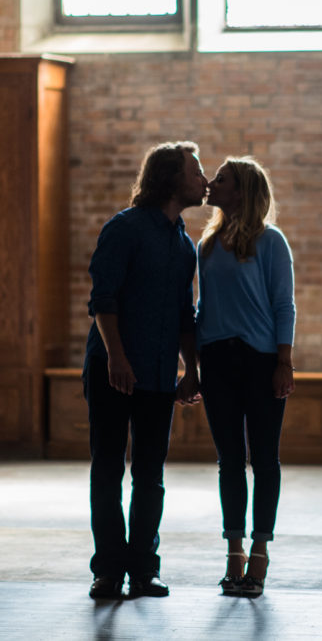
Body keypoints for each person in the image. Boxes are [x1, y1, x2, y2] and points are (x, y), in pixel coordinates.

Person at [83, 141, 207, 600]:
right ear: (171, 179)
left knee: (150, 476)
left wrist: (190, 370)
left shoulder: (184, 245)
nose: (204, 180)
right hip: (112, 369)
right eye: (196, 172)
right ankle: (108, 571)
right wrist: (116, 357)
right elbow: (103, 299)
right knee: (108, 470)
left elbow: (184, 315)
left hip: (157, 376)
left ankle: (143, 570)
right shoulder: (125, 228)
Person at [196, 156, 296, 597]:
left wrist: (284, 362)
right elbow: (202, 310)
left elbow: (283, 306)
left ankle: (260, 549)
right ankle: (233, 552)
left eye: (221, 179)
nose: (211, 184)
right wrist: (192, 366)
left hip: (260, 361)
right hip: (216, 360)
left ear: (242, 192)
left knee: (265, 460)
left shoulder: (271, 242)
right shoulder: (207, 244)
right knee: (229, 462)